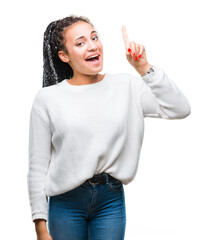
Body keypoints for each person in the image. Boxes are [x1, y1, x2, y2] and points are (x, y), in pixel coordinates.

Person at [27, 14, 191, 240]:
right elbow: (37, 167)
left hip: (110, 200)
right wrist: (40, 226)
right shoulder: (47, 99)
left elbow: (179, 108)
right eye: (80, 43)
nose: (92, 46)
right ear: (64, 56)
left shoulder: (126, 86)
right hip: (66, 202)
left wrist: (143, 67)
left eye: (94, 37)